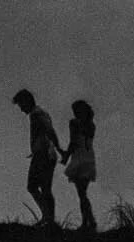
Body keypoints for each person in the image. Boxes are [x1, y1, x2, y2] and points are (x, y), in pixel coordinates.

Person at [12, 88, 62, 226]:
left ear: (26, 102)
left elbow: (49, 130)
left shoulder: (37, 114)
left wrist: (57, 148)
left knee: (37, 186)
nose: (21, 109)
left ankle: (48, 218)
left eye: (21, 105)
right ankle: (48, 217)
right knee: (40, 187)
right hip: (43, 154)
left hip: (44, 155)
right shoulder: (40, 113)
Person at [62, 100, 98, 233]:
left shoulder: (74, 123)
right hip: (89, 158)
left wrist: (65, 156)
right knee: (83, 193)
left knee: (81, 193)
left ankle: (89, 222)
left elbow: (73, 142)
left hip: (79, 158)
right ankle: (88, 221)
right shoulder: (91, 125)